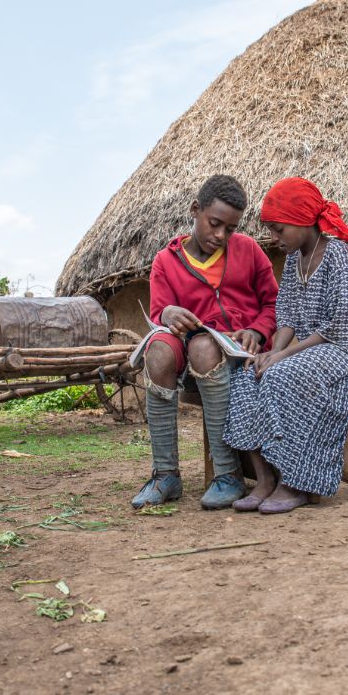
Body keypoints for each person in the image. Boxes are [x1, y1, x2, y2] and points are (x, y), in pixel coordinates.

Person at [223, 176, 348, 514]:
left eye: (279, 229)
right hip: (312, 349)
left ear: (304, 220)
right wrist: (271, 352)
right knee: (248, 374)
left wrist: (284, 357)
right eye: (271, 230)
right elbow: (289, 316)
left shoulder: (338, 255)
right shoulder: (295, 261)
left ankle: (296, 481)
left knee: (283, 375)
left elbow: (339, 326)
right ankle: (265, 478)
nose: (273, 238)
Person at [132, 175, 280, 510]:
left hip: (244, 356)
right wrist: (168, 313)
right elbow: (159, 315)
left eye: (230, 228)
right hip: (190, 366)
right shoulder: (165, 262)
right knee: (159, 350)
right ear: (195, 210)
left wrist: (257, 330)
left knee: (203, 347)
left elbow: (274, 304)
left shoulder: (249, 251)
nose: (221, 236)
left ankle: (228, 475)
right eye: (214, 224)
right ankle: (165, 475)